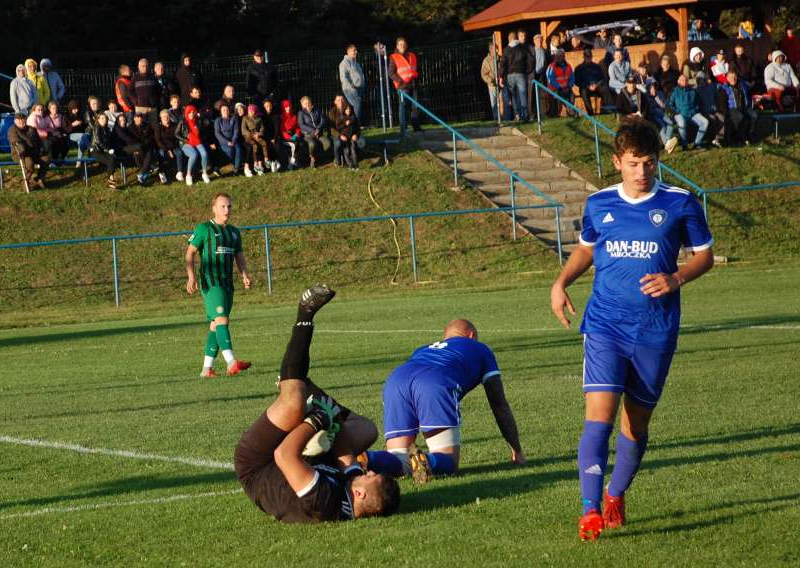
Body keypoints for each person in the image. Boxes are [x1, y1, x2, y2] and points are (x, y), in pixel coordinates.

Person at [549, 116, 714, 541]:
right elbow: (587, 247)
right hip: (605, 325)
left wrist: (675, 278)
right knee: (597, 421)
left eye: (650, 163)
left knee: (634, 426)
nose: (643, 172)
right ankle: (589, 509)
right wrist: (562, 282)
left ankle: (616, 493)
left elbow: (704, 255)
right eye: (635, 163)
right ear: (618, 162)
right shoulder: (599, 204)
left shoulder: (680, 203)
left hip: (655, 331)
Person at [234, 283, 400, 523]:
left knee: (293, 405)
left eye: (371, 476)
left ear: (360, 493)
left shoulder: (325, 503)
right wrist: (333, 420)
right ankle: (298, 379)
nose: (370, 470)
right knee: (366, 430)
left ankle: (305, 314)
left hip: (261, 463)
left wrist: (316, 421)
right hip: (303, 458)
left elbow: (283, 455)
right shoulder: (350, 492)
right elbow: (346, 457)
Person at [362, 319, 525, 484]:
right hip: (434, 382)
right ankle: (427, 460)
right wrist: (517, 450)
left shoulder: (423, 349)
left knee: (399, 460)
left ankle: (368, 458)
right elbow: (499, 403)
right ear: (471, 335)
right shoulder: (481, 349)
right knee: (448, 462)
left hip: (396, 381)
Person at [185, 193, 252, 378]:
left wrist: (245, 275)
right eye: (222, 206)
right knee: (222, 319)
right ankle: (231, 362)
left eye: (229, 206)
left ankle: (206, 369)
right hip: (211, 282)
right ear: (214, 208)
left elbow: (239, 256)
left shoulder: (233, 232)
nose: (226, 210)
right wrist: (191, 277)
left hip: (227, 283)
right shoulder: (204, 229)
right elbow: (190, 253)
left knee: (216, 325)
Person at [388, 36, 422, 133]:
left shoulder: (412, 55)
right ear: (397, 46)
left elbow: (416, 69)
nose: (403, 46)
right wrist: (400, 81)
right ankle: (403, 128)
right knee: (403, 106)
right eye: (401, 44)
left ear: (406, 45)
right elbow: (391, 73)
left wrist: (417, 79)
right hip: (402, 86)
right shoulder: (393, 57)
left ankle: (416, 127)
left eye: (404, 44)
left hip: (413, 84)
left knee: (415, 106)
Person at [7, 112, 49, 190]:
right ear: (15, 121)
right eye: (18, 120)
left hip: (34, 152)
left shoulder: (32, 129)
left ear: (26, 120)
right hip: (20, 153)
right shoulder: (12, 130)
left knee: (46, 159)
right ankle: (25, 182)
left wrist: (41, 149)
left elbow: (39, 141)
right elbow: (15, 141)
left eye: (23, 119)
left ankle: (40, 178)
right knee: (29, 163)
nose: (21, 121)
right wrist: (22, 149)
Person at [668, 73, 709, 149]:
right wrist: (677, 111)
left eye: (686, 80)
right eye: (682, 80)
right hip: (679, 113)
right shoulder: (674, 91)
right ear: (678, 81)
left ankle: (697, 143)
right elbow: (669, 105)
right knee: (682, 123)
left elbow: (698, 103)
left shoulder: (693, 91)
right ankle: (684, 144)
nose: (684, 81)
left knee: (705, 122)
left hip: (692, 114)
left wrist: (694, 111)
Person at [717, 70, 758, 146]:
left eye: (735, 77)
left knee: (754, 116)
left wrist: (755, 99)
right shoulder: (724, 88)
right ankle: (742, 138)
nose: (733, 79)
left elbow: (750, 91)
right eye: (731, 77)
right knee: (742, 118)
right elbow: (723, 103)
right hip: (732, 108)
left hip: (744, 107)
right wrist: (726, 113)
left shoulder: (742, 84)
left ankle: (749, 134)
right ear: (727, 78)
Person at [500, 29, 533, 122]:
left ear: (509, 39)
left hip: (510, 75)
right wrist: (527, 71)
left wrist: (501, 76)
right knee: (523, 95)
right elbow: (531, 60)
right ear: (516, 38)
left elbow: (503, 64)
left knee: (514, 96)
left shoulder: (506, 50)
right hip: (521, 74)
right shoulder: (523, 48)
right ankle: (525, 116)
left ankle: (517, 114)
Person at [176, 102, 210, 185]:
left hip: (197, 142)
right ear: (186, 113)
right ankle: (188, 175)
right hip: (186, 143)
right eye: (189, 112)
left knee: (204, 153)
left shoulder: (198, 121)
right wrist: (185, 140)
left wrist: (201, 117)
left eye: (193, 112)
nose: (191, 114)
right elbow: (176, 134)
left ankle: (204, 173)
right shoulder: (183, 122)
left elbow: (205, 128)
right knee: (194, 154)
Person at [644, 78, 678, 154]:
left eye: (654, 86)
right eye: (651, 87)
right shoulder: (646, 96)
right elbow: (647, 108)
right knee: (662, 126)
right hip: (653, 114)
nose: (653, 88)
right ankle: (667, 144)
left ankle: (667, 144)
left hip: (661, 113)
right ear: (648, 87)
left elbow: (664, 106)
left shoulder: (659, 93)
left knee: (671, 124)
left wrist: (656, 97)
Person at [574, 48, 612, 115]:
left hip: (597, 86)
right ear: (584, 57)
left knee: (605, 88)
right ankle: (590, 113)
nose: (588, 58)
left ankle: (608, 110)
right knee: (583, 91)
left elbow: (602, 78)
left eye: (589, 56)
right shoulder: (578, 68)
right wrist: (587, 86)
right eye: (586, 56)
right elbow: (577, 81)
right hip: (585, 87)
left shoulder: (597, 66)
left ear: (592, 57)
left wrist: (596, 85)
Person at [87, 113, 118, 189]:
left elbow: (108, 141)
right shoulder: (96, 127)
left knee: (112, 158)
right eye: (102, 118)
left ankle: (111, 179)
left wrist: (110, 149)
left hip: (103, 150)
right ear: (98, 120)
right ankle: (111, 181)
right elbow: (98, 141)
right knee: (110, 161)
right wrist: (108, 149)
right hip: (95, 150)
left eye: (105, 118)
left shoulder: (106, 128)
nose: (104, 120)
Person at [298, 96, 330, 168]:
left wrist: (318, 129)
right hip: (308, 135)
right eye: (305, 104)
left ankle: (317, 156)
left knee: (327, 143)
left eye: (308, 103)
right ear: (302, 105)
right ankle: (312, 157)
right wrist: (313, 131)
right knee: (312, 144)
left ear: (311, 102)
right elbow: (302, 125)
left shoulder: (317, 110)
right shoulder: (301, 113)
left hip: (318, 133)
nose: (307, 105)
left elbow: (323, 120)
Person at [155, 109, 183, 183]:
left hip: (173, 146)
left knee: (179, 152)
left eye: (167, 116)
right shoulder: (158, 127)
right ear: (161, 118)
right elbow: (158, 141)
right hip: (163, 147)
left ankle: (180, 172)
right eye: (164, 116)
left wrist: (171, 148)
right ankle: (162, 173)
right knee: (161, 154)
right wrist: (167, 150)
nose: (166, 118)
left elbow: (177, 138)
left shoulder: (174, 125)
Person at [214, 103, 243, 176]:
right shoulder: (218, 120)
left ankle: (236, 170)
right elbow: (217, 133)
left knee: (238, 150)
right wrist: (227, 142)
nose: (226, 111)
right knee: (229, 152)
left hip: (234, 140)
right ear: (221, 112)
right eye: (224, 110)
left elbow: (236, 130)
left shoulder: (233, 118)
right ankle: (217, 167)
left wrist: (233, 140)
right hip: (223, 141)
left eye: (227, 110)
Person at [695, 75, 724, 147]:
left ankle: (718, 138)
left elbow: (718, 90)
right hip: (704, 111)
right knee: (713, 119)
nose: (701, 81)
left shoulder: (711, 87)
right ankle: (712, 138)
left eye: (703, 79)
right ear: (697, 81)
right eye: (699, 80)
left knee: (722, 118)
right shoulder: (696, 90)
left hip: (714, 110)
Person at [339, 44, 366, 123]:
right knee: (357, 103)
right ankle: (356, 124)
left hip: (359, 89)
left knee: (356, 106)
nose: (356, 52)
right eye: (354, 50)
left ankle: (354, 123)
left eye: (356, 50)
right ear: (348, 51)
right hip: (350, 89)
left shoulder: (356, 63)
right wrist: (352, 86)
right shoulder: (344, 63)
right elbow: (344, 77)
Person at [242, 103, 270, 175]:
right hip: (249, 137)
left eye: (252, 111)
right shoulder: (245, 118)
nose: (251, 112)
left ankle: (266, 159)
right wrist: (252, 135)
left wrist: (259, 134)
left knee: (264, 143)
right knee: (255, 145)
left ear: (255, 111)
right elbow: (244, 130)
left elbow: (262, 127)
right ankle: (255, 163)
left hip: (257, 135)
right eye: (249, 111)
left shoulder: (258, 118)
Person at [131, 58, 160, 127]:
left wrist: (155, 100)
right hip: (140, 107)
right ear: (139, 67)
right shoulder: (135, 78)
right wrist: (135, 100)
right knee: (140, 126)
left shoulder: (153, 77)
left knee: (154, 127)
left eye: (146, 66)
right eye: (143, 66)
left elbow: (159, 90)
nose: (145, 68)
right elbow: (129, 91)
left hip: (152, 107)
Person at [545, 50, 575, 116]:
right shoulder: (552, 66)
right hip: (555, 89)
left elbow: (572, 78)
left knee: (572, 95)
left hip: (567, 88)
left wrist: (569, 86)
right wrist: (559, 87)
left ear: (564, 57)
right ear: (555, 57)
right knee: (562, 97)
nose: (559, 57)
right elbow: (550, 79)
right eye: (558, 56)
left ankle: (570, 111)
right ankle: (570, 111)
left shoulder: (568, 66)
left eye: (561, 56)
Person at [129, 112, 156, 185]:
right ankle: (149, 168)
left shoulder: (147, 126)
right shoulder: (130, 127)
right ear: (134, 118)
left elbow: (150, 137)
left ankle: (141, 174)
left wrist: (143, 143)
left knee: (149, 152)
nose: (139, 118)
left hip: (147, 146)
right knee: (136, 155)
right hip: (137, 147)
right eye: (137, 117)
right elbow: (131, 140)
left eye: (140, 117)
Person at [529, 33, 550, 119]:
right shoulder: (531, 51)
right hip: (533, 75)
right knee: (532, 96)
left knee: (543, 95)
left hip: (542, 75)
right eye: (537, 40)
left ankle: (543, 114)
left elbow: (547, 63)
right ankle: (532, 115)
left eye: (540, 40)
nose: (539, 41)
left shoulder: (545, 51)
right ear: (534, 41)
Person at [335, 103, 360, 170]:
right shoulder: (340, 117)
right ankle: (350, 166)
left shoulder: (354, 117)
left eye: (350, 109)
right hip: (344, 138)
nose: (348, 110)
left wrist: (356, 134)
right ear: (344, 110)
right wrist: (345, 125)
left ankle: (356, 166)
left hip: (352, 137)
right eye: (346, 109)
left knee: (353, 149)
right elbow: (337, 128)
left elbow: (358, 128)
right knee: (347, 151)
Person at [480, 43, 501, 121]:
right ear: (490, 49)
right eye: (495, 48)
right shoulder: (486, 60)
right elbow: (483, 74)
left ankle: (503, 118)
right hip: (492, 85)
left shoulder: (500, 58)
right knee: (494, 103)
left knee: (502, 101)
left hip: (501, 84)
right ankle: (496, 118)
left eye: (497, 48)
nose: (497, 50)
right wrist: (491, 80)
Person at [279, 99, 302, 170]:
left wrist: (297, 134)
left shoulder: (294, 116)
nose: (288, 108)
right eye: (286, 107)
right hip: (285, 137)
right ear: (283, 108)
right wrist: (289, 137)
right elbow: (282, 130)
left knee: (297, 142)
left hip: (294, 135)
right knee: (294, 144)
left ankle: (291, 162)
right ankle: (292, 162)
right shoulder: (282, 117)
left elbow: (297, 127)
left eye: (289, 106)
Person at [65, 99, 88, 166]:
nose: (76, 110)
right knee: (83, 136)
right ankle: (89, 147)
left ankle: (79, 162)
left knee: (81, 141)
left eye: (77, 108)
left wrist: (81, 124)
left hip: (80, 136)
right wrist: (72, 125)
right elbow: (65, 128)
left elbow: (84, 127)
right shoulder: (67, 117)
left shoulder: (80, 116)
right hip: (70, 136)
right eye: (74, 109)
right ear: (70, 108)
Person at [261, 99, 281, 172]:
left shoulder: (276, 115)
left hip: (275, 136)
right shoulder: (262, 117)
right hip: (266, 136)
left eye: (269, 106)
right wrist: (269, 139)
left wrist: (274, 138)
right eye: (266, 106)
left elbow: (277, 128)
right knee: (268, 145)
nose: (268, 107)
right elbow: (263, 129)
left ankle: (274, 162)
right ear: (264, 107)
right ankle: (273, 162)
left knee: (277, 145)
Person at [327, 94, 348, 166]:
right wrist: (340, 135)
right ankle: (337, 159)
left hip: (347, 132)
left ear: (345, 100)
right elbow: (331, 128)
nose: (341, 102)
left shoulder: (349, 109)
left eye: (342, 100)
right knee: (338, 142)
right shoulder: (331, 111)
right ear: (335, 102)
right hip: (335, 134)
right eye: (338, 100)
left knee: (358, 142)